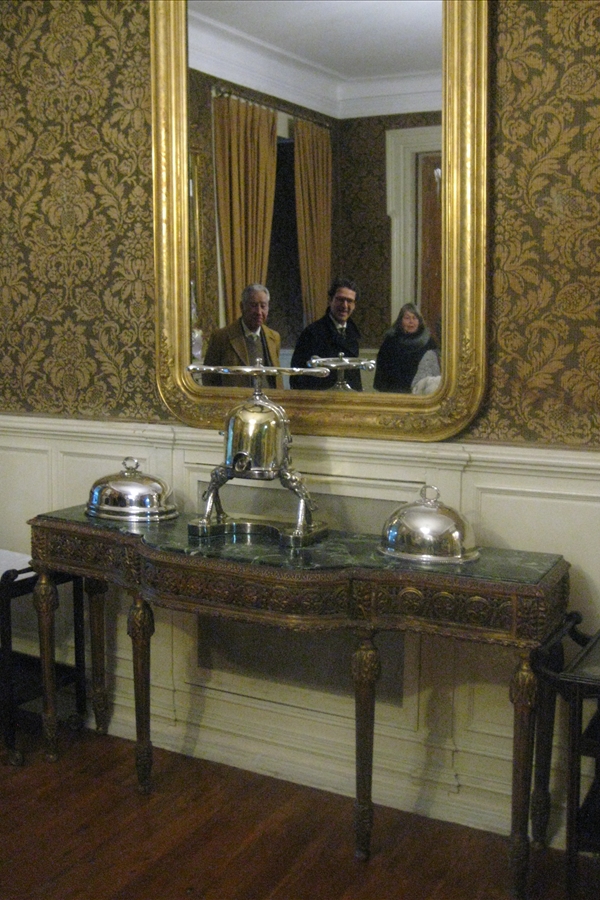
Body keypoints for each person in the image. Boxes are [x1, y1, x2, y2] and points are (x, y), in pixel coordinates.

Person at [202, 284, 281, 388]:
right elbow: (209, 378)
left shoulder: (274, 337)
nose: (259, 312)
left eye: (263, 306)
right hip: (235, 397)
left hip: (268, 397)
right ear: (242, 307)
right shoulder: (221, 337)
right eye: (253, 305)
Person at [290, 278, 362, 390]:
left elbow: (354, 376)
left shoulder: (353, 333)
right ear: (330, 300)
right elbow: (298, 376)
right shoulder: (312, 333)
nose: (344, 305)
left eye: (349, 301)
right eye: (340, 299)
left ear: (354, 305)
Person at [374, 303, 437, 393]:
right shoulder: (390, 341)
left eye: (414, 318)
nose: (411, 322)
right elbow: (382, 370)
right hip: (394, 392)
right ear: (400, 321)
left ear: (419, 321)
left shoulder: (428, 342)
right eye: (407, 318)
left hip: (421, 393)